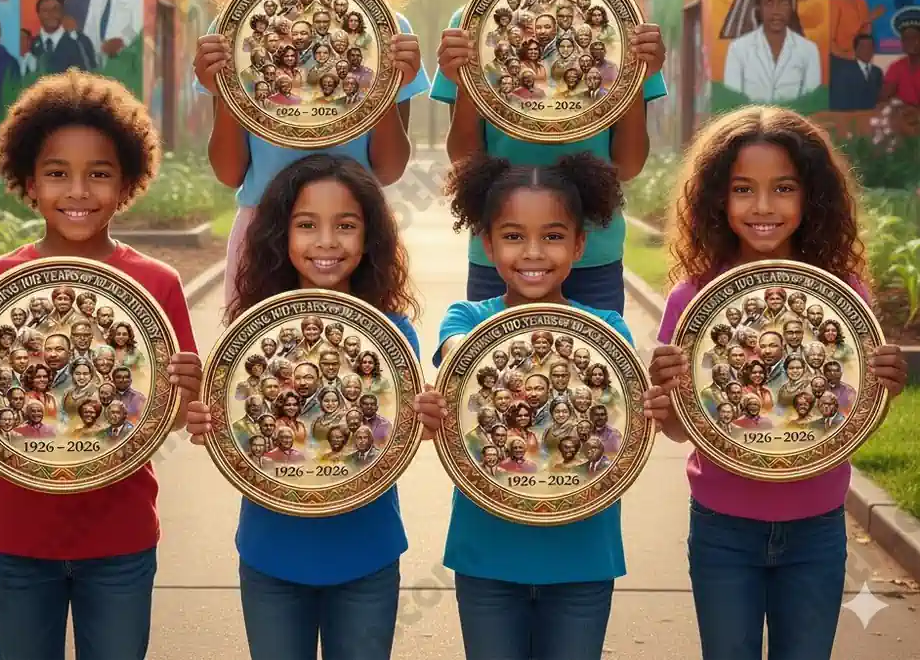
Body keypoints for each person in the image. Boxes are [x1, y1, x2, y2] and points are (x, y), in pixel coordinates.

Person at [0, 70, 202, 660]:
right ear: (28, 181)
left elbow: (170, 416)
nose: (78, 191)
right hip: (18, 536)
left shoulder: (156, 284)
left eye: (98, 174)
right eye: (57, 174)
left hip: (120, 537)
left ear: (127, 182)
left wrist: (184, 397)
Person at [648, 106, 907, 660]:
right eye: (743, 189)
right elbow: (677, 431)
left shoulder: (843, 295)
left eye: (783, 188)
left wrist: (885, 388)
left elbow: (853, 420)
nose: (762, 207)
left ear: (811, 196)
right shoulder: (691, 299)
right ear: (718, 197)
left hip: (816, 526)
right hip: (723, 527)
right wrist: (664, 396)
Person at [185, 155, 445, 660]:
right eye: (307, 225)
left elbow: (396, 430)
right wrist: (205, 420)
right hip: (270, 552)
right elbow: (230, 422)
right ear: (280, 235)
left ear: (369, 238)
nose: (326, 242)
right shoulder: (251, 335)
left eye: (345, 226)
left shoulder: (395, 335)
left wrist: (429, 421)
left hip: (366, 552)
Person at [434, 152, 669, 660]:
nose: (534, 252)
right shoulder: (465, 317)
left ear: (581, 244)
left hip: (583, 556)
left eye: (554, 236)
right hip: (487, 554)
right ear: (487, 243)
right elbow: (458, 353)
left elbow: (621, 416)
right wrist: (455, 376)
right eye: (514, 236)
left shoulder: (610, 329)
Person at [192, 0, 431, 309]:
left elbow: (390, 168)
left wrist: (383, 83)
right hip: (262, 237)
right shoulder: (235, 28)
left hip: (356, 241)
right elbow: (228, 173)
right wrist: (224, 93)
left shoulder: (386, 27)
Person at [432, 0, 667, 314]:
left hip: (594, 252)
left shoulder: (624, 25)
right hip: (498, 255)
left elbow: (629, 163)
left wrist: (638, 74)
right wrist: (464, 83)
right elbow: (464, 159)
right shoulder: (471, 24)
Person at [722, 0, 822, 103]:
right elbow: (733, 99)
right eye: (769, 3)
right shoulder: (738, 49)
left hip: (792, 121)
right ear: (758, 9)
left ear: (792, 8)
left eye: (783, 3)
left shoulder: (809, 50)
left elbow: (810, 100)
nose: (776, 11)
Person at [879, 6, 920, 108]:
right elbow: (884, 97)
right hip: (904, 120)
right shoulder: (896, 67)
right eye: (905, 39)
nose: (909, 42)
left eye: (914, 37)